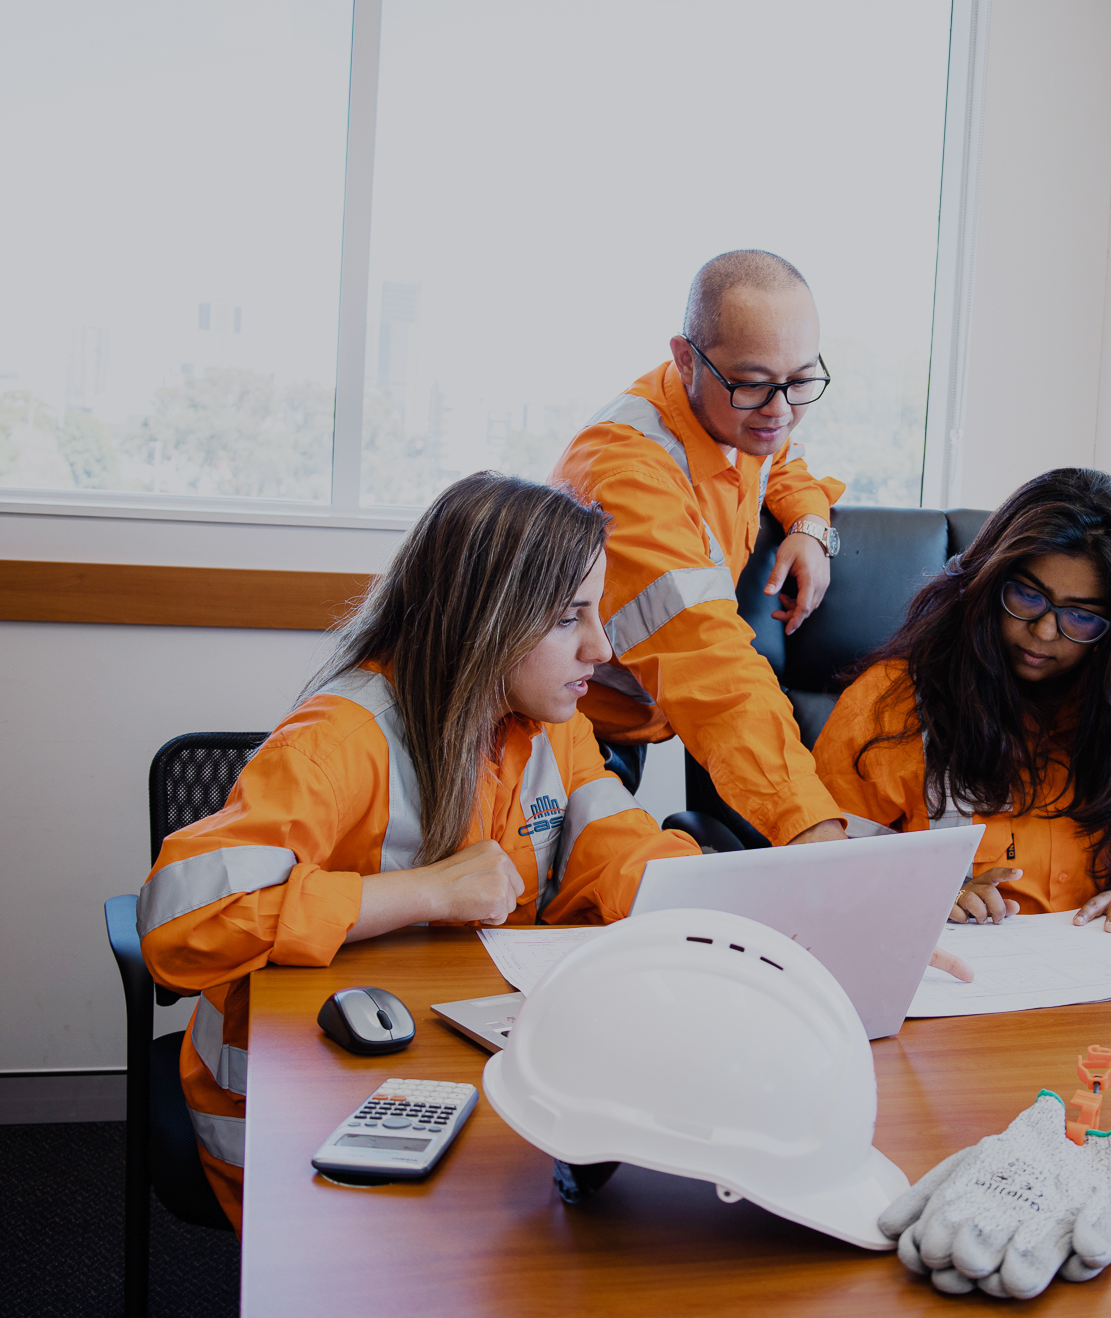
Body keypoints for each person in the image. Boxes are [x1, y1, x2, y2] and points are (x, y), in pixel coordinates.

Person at [137, 474, 702, 1228]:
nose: (601, 646)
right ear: (485, 622)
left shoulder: (551, 722)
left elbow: (613, 845)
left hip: (466, 1068)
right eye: (571, 617)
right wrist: (424, 892)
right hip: (294, 1115)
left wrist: (728, 902)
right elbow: (177, 920)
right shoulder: (337, 741)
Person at [813, 468, 1111, 931]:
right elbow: (825, 858)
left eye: (1082, 616)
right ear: (987, 581)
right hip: (961, 973)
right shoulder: (894, 700)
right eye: (1028, 596)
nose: (1045, 632)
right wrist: (925, 890)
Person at [549, 249, 848, 848]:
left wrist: (811, 528)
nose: (782, 410)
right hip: (561, 730)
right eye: (754, 385)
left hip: (639, 717)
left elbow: (779, 463)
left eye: (801, 381)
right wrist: (813, 832)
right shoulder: (625, 473)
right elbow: (712, 668)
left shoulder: (737, 419)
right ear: (686, 359)